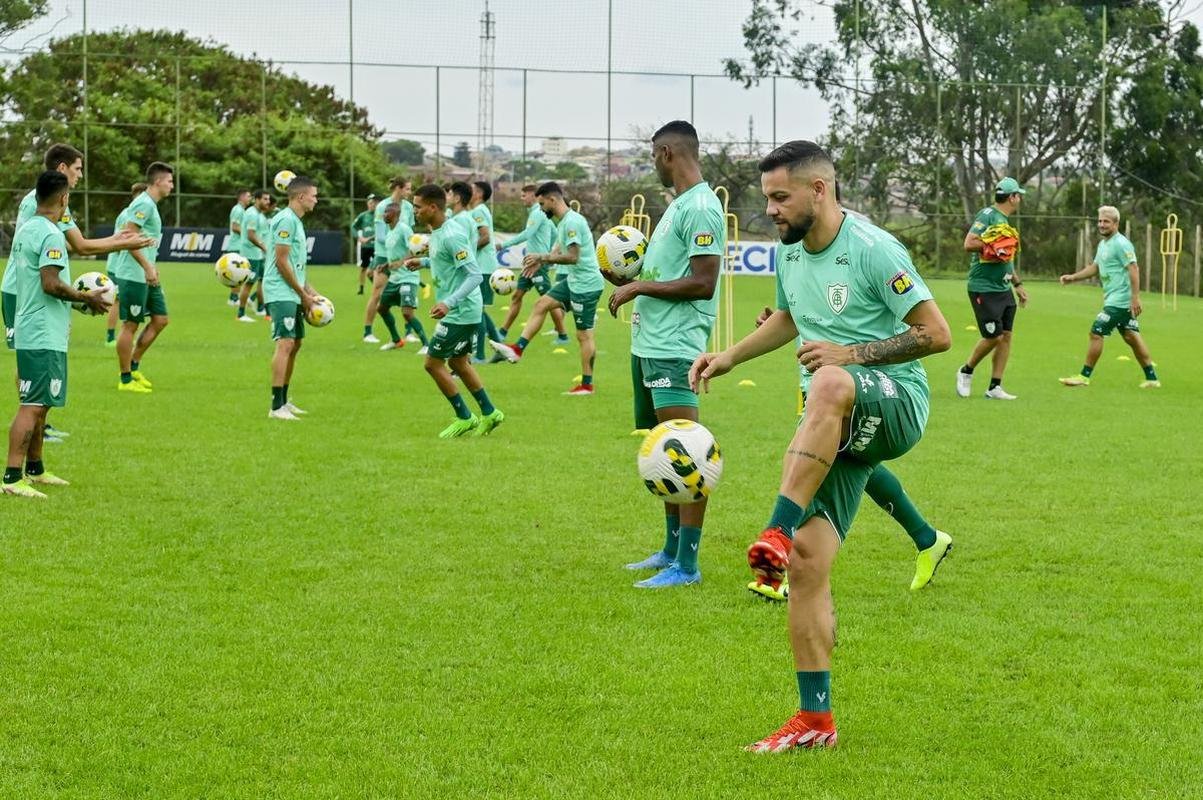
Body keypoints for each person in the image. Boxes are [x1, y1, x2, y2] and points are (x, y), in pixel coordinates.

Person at [689, 140, 951, 750]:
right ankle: (815, 721)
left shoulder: (873, 248)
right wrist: (729, 357)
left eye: (780, 197)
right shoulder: (790, 252)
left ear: (819, 189)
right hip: (834, 416)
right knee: (809, 564)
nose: (771, 210)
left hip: (895, 402)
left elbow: (936, 333)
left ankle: (775, 530)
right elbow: (788, 318)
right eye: (767, 198)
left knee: (829, 381)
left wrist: (851, 354)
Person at [752, 306, 953, 599]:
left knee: (813, 464)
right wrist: (783, 321)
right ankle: (926, 537)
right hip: (817, 381)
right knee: (838, 457)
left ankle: (780, 541)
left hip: (847, 383)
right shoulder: (796, 275)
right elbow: (799, 312)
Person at [604, 121, 724, 588]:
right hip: (650, 345)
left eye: (653, 155)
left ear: (668, 152)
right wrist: (630, 279)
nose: (653, 163)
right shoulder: (678, 205)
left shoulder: (702, 208)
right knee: (664, 453)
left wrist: (639, 287)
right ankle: (671, 550)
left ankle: (687, 565)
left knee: (687, 453)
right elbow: (667, 273)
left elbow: (703, 282)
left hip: (675, 347)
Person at [2, 143, 148, 439]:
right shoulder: (40, 203)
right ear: (62, 168)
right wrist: (123, 243)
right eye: (78, 168)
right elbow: (81, 246)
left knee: (37, 359)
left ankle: (38, 424)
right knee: (30, 359)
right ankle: (33, 422)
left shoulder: (50, 202)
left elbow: (76, 244)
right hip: (23, 291)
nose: (81, 175)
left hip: (31, 289)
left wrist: (118, 239)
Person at [3, 171, 110, 498]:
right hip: (41, 331)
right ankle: (12, 477)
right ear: (64, 198)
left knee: (41, 404)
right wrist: (85, 298)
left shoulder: (26, 229)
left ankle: (35, 469)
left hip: (32, 325)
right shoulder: (50, 234)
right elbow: (50, 284)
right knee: (32, 405)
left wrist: (77, 302)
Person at [404, 184, 505, 438]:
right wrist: (423, 262)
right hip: (460, 309)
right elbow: (446, 260)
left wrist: (448, 302)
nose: (415, 211)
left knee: (432, 364)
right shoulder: (438, 232)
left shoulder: (452, 235)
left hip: (461, 310)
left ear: (432, 207)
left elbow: (474, 275)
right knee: (458, 362)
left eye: (417, 207)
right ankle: (490, 413)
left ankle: (464, 417)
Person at [488, 182, 603, 396]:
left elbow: (573, 257)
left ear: (553, 199)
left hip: (586, 285)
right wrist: (542, 262)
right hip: (574, 281)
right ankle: (517, 350)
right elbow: (558, 248)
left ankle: (587, 386)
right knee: (541, 304)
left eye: (542, 204)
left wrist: (542, 257)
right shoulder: (564, 222)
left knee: (583, 335)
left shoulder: (572, 222)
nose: (541, 209)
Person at [1059, 205, 1160, 388]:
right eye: (1099, 221)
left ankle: (1084, 377)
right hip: (1114, 298)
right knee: (1131, 336)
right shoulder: (1103, 244)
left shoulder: (1121, 243)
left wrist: (1135, 297)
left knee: (1096, 332)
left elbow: (1134, 268)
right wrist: (1073, 277)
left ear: (1116, 223)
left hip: (1120, 301)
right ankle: (1152, 378)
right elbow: (1095, 267)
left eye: (1106, 221)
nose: (1101, 224)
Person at [956, 177, 1028, 400]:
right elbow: (969, 243)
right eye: (1018, 195)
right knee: (994, 336)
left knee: (1006, 336)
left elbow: (1006, 258)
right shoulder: (988, 215)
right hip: (983, 287)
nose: (1019, 199)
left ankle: (995, 386)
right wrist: (992, 244)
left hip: (1003, 288)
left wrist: (1017, 284)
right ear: (1012, 197)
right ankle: (966, 370)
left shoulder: (1004, 221)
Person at [110, 162, 175, 394]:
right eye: (170, 181)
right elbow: (129, 237)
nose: (172, 186)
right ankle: (125, 379)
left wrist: (151, 267)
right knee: (130, 325)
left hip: (146, 273)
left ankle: (134, 365)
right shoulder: (143, 204)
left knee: (161, 319)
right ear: (158, 181)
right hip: (133, 275)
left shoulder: (150, 205)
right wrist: (147, 266)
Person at [264, 176, 321, 420]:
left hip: (292, 291)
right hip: (280, 291)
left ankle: (284, 401)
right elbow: (281, 261)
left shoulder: (296, 221)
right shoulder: (286, 220)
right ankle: (276, 407)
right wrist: (302, 295)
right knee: (285, 343)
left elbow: (296, 265)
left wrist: (311, 291)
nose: (316, 200)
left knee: (295, 344)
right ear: (301, 196)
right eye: (314, 196)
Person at [495, 184, 569, 344]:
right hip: (530, 264)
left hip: (537, 265)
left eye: (524, 195)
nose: (521, 198)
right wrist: (548, 251)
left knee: (549, 300)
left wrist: (503, 245)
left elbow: (527, 234)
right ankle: (502, 332)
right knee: (517, 296)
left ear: (532, 195)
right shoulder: (541, 213)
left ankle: (563, 335)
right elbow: (554, 232)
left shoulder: (537, 213)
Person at [364, 178, 412, 343]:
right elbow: (380, 236)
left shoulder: (408, 207)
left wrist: (409, 251)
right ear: (398, 188)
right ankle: (368, 333)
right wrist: (397, 244)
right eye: (407, 189)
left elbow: (410, 234)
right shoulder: (382, 206)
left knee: (407, 295)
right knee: (377, 294)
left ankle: (409, 332)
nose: (409, 192)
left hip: (403, 257)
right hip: (384, 256)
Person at [104, 182, 148, 347]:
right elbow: (120, 240)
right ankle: (110, 338)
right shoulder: (129, 214)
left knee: (122, 301)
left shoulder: (132, 213)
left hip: (122, 266)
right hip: (118, 266)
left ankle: (123, 335)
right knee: (117, 301)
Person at [376, 202, 419, 351]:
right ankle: (396, 340)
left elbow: (415, 248)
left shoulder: (404, 229)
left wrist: (402, 262)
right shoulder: (389, 232)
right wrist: (385, 265)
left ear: (396, 214)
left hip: (407, 277)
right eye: (384, 212)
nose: (385, 214)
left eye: (388, 212)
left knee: (407, 313)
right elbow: (394, 256)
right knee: (381, 308)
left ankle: (426, 345)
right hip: (394, 278)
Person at [469, 180, 503, 360]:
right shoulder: (478, 210)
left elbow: (485, 237)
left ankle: (480, 355)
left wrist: (466, 249)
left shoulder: (479, 211)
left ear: (479, 194)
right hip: (484, 265)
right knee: (480, 309)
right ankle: (500, 348)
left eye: (472, 190)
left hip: (482, 266)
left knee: (477, 311)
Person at [236, 190, 271, 322]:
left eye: (268, 199)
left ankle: (264, 311)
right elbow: (251, 235)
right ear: (257, 199)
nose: (268, 202)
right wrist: (265, 248)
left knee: (263, 281)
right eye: (265, 199)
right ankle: (240, 314)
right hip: (251, 254)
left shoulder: (259, 214)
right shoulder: (252, 214)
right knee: (249, 284)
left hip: (258, 254)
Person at [225, 189, 251, 305]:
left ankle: (234, 297)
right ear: (242, 197)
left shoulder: (241, 210)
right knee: (237, 272)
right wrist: (247, 235)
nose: (250, 199)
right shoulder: (238, 210)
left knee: (240, 272)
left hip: (239, 245)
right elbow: (235, 227)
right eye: (248, 196)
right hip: (236, 245)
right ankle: (234, 298)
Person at [353, 194, 378, 295]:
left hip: (377, 247)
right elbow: (353, 227)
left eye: (374, 203)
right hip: (366, 246)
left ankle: (378, 286)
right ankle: (361, 288)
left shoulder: (380, 215)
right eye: (370, 203)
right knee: (364, 267)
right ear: (367, 204)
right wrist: (360, 238)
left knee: (377, 268)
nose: (372, 205)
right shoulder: (363, 216)